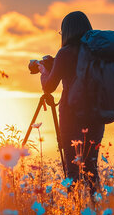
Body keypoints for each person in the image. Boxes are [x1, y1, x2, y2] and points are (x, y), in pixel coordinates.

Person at [38, 11, 105, 195]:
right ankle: (97, 211)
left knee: (73, 168)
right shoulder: (97, 52)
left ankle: (74, 212)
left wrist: (44, 71)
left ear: (66, 32)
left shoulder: (65, 53)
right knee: (91, 167)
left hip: (71, 116)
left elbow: (50, 87)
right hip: (97, 115)